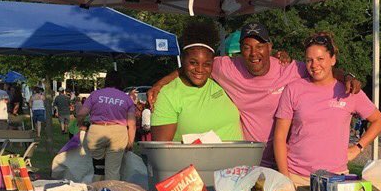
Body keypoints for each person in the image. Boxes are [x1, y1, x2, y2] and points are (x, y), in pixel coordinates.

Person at [148, 22, 362, 167]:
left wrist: (346, 76)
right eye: (247, 47)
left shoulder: (291, 69)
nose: (254, 53)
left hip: (284, 162)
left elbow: (321, 70)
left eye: (260, 46)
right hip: (246, 163)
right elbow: (193, 63)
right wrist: (160, 84)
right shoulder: (225, 67)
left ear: (270, 47)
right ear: (240, 49)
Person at [274, 32, 381, 187]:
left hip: (336, 178)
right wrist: (285, 178)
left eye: (320, 59)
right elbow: (279, 137)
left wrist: (358, 147)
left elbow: (379, 120)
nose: (314, 65)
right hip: (297, 177)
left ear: (332, 59)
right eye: (309, 60)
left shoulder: (349, 90)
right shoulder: (293, 89)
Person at [151, 21, 243, 143]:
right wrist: (160, 84)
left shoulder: (220, 79)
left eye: (206, 64)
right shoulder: (168, 95)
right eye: (193, 63)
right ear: (183, 60)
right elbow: (162, 150)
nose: (199, 70)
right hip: (193, 162)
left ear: (213, 64)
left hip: (239, 160)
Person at [77, 72, 136, 182]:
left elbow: (81, 114)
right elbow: (132, 124)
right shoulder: (126, 99)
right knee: (113, 170)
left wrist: (80, 124)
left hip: (96, 130)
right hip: (118, 131)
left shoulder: (95, 94)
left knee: (98, 167)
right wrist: (131, 142)